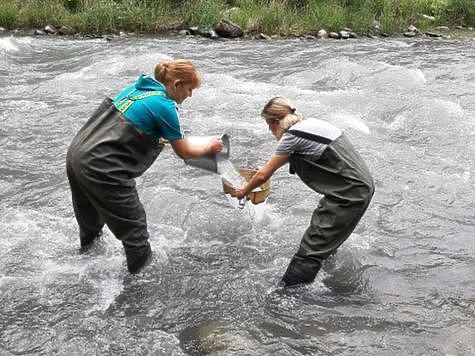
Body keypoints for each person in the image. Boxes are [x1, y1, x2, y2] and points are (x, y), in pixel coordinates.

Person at [66, 59, 223, 274]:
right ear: (176, 84)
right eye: (189, 89)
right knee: (135, 232)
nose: (190, 95)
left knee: (90, 223)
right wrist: (212, 146)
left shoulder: (138, 89)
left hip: (78, 154)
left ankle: (83, 268)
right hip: (103, 166)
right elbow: (185, 153)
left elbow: (148, 130)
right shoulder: (165, 106)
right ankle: (139, 288)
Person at [231, 97, 374, 287]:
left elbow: (265, 174)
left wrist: (243, 191)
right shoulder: (311, 124)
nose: (269, 130)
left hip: (348, 193)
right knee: (325, 237)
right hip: (358, 187)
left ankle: (288, 297)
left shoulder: (292, 136)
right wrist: (264, 172)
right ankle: (330, 282)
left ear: (276, 121)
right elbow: (288, 159)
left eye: (269, 124)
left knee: (311, 248)